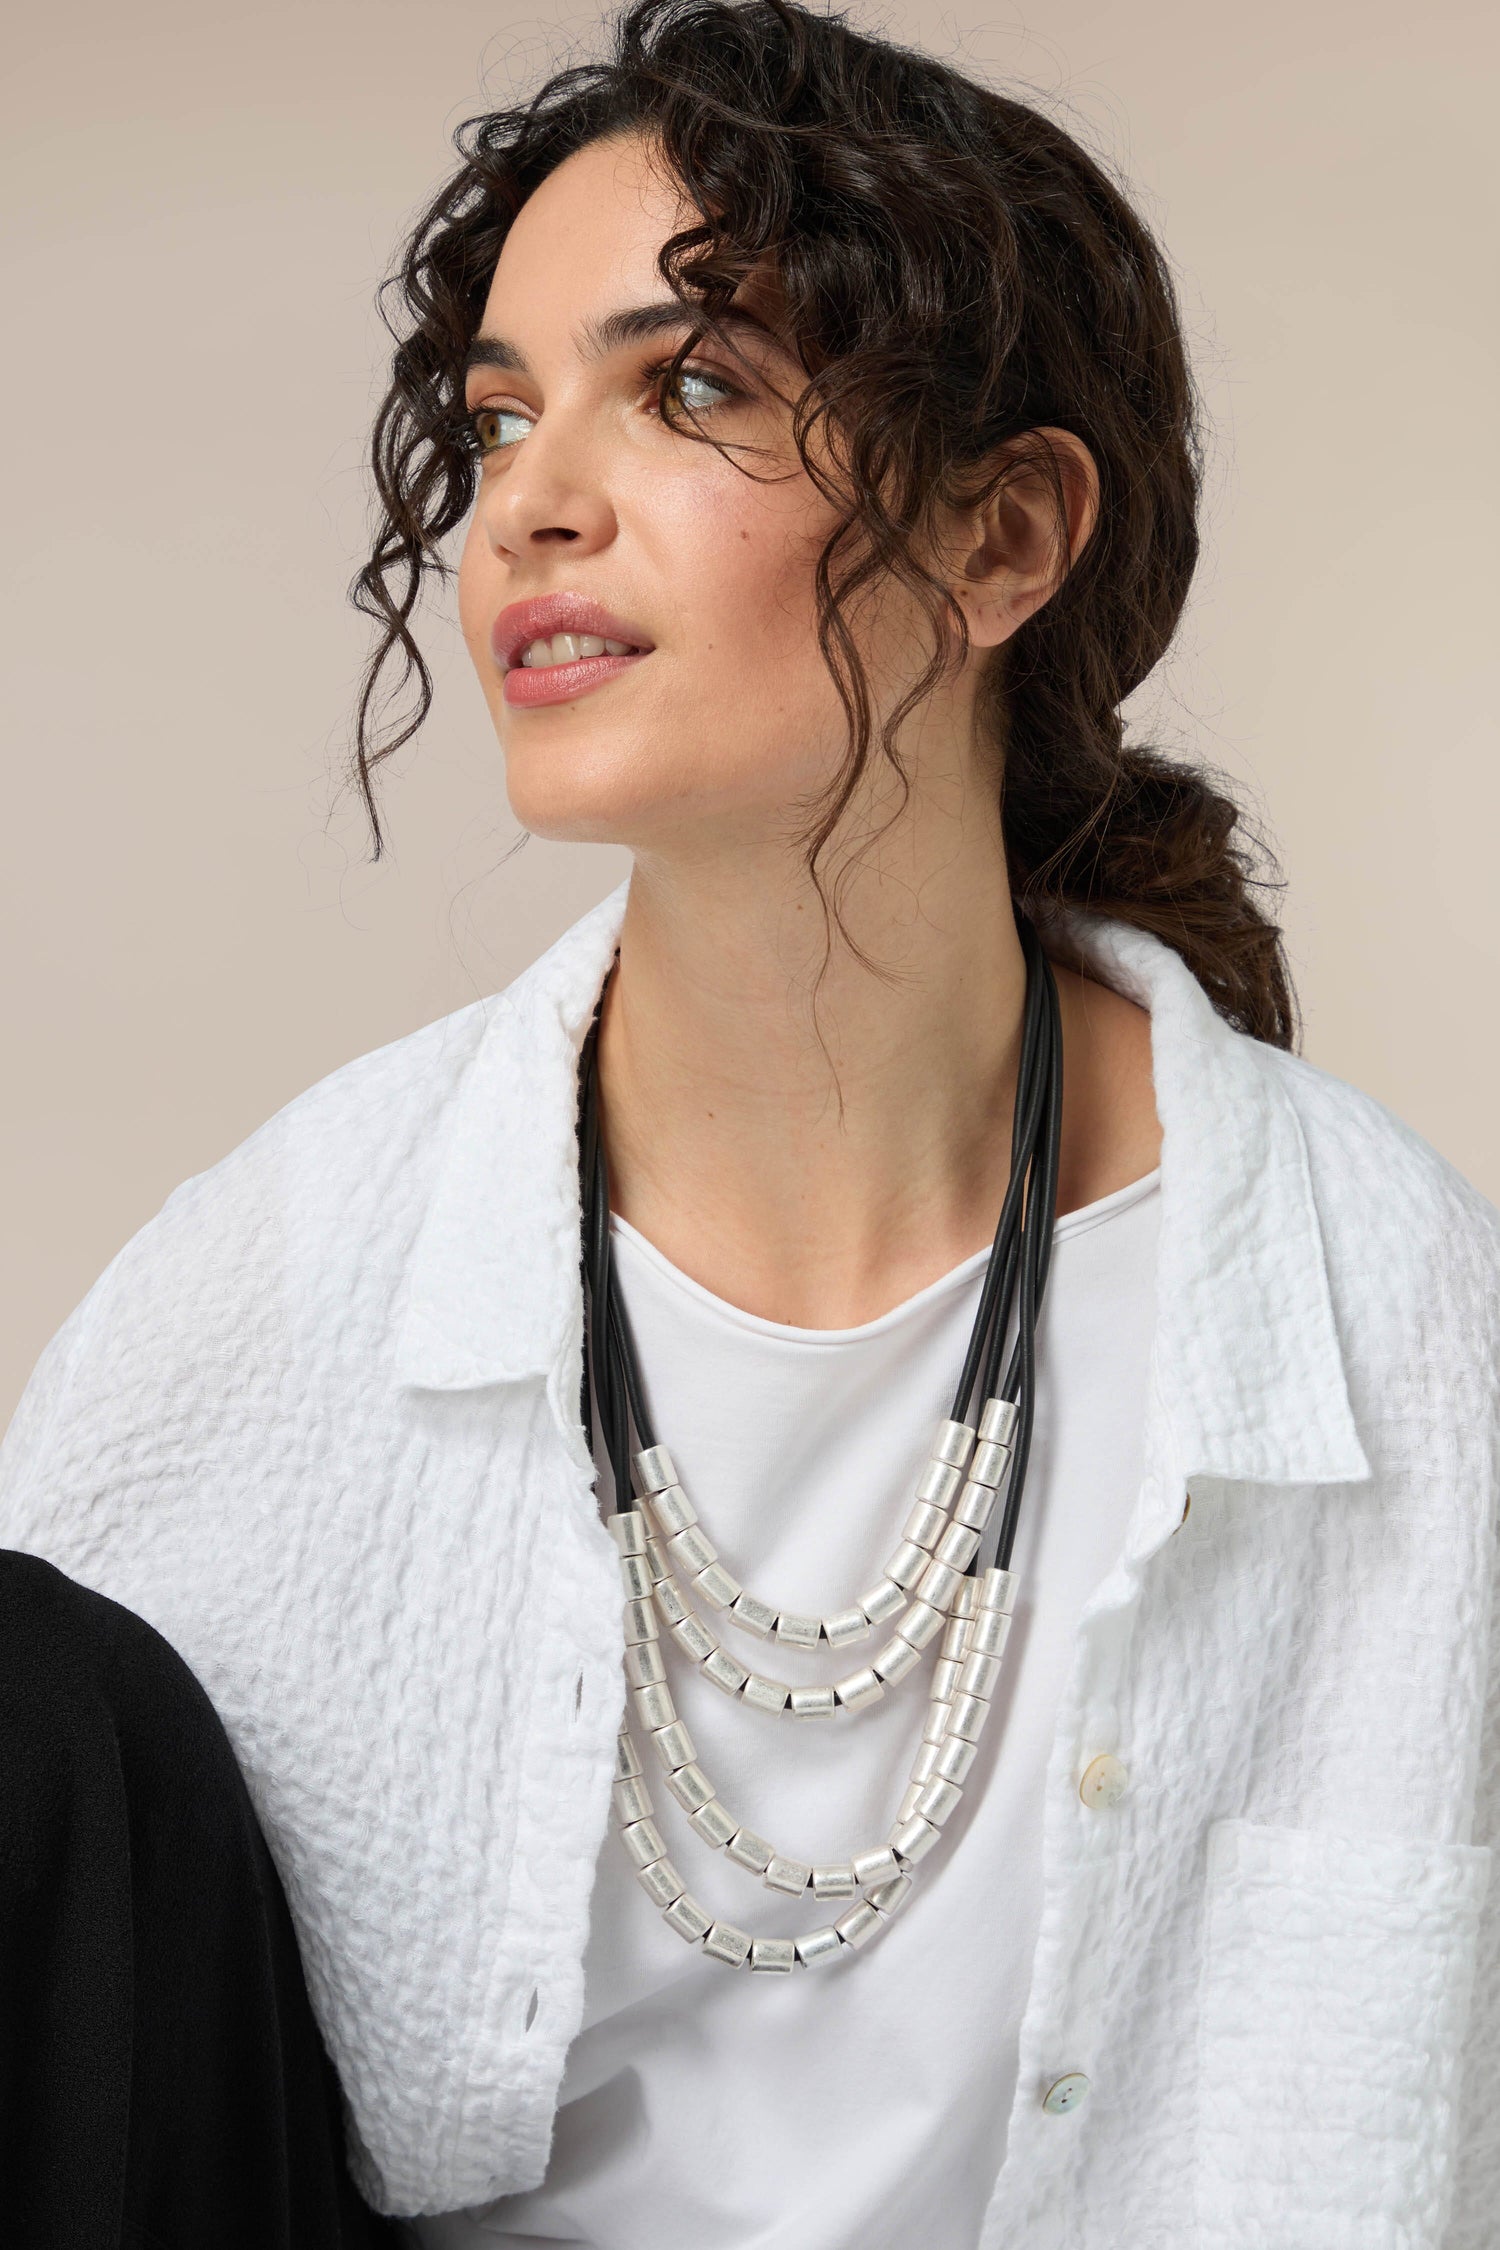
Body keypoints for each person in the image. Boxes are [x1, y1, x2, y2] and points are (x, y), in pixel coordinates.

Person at [2, 0, 1497, 2242]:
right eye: (499, 420)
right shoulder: (261, 1306)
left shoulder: (1413, 1342)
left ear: (1003, 544)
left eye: (687, 386)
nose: (530, 501)